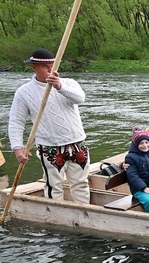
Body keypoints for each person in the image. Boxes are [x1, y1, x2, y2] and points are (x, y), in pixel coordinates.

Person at [8, 48, 90, 203]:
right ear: (34, 67)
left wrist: (60, 86)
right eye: (46, 66)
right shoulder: (24, 92)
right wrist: (18, 148)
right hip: (50, 147)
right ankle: (55, 218)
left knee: (81, 184)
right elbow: (16, 121)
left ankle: (85, 213)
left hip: (77, 143)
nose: (50, 69)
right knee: (54, 185)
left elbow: (80, 98)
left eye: (53, 65)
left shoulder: (68, 83)